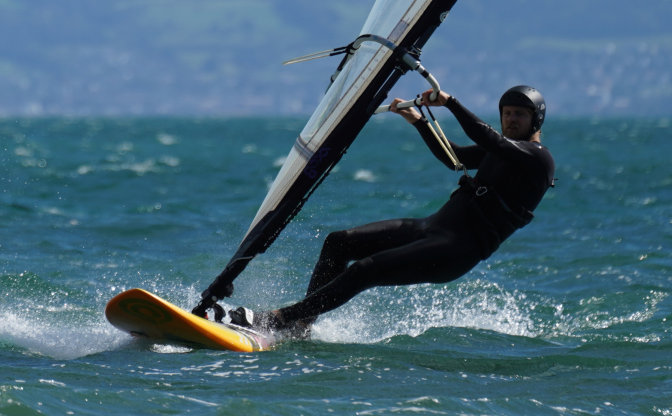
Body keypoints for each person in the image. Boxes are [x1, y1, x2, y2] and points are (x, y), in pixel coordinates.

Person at [233, 85, 554, 336]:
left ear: (536, 121)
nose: (511, 120)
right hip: (431, 229)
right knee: (339, 242)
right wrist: (418, 121)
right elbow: (453, 156)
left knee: (365, 270)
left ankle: (279, 319)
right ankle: (302, 325)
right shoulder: (503, 151)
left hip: (455, 250)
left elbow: (492, 141)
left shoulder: (537, 159)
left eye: (519, 115)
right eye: (507, 113)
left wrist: (451, 103)